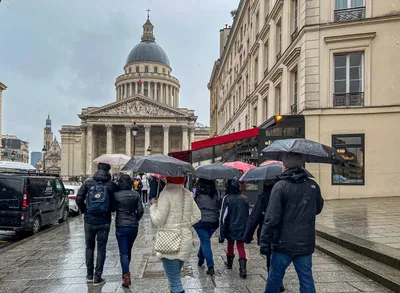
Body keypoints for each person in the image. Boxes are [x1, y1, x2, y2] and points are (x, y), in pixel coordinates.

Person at [260, 153, 324, 293]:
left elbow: (271, 218)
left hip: (283, 243)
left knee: (275, 277)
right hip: (305, 242)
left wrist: (265, 242)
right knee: (306, 279)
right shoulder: (312, 185)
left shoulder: (280, 186)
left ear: (285, 166)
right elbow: (318, 208)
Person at [150, 176, 201, 293]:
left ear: (168, 178)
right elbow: (197, 215)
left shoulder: (165, 194)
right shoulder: (187, 194)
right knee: (174, 281)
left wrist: (153, 206)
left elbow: (158, 220)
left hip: (170, 244)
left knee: (176, 284)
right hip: (185, 242)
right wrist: (184, 224)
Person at [76, 163, 118, 286]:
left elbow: (79, 198)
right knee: (101, 248)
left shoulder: (88, 182)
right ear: (108, 171)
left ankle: (89, 275)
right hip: (104, 220)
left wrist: (85, 210)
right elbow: (116, 201)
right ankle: (97, 277)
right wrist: (110, 210)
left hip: (89, 220)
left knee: (89, 247)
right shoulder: (111, 185)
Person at [244, 181, 285, 292]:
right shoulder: (284, 190)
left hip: (268, 231)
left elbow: (255, 216)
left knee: (270, 258)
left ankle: (276, 282)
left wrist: (248, 236)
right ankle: (279, 281)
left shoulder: (264, 195)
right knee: (280, 258)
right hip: (283, 232)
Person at [114, 174, 144, 288]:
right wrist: (135, 219)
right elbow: (140, 210)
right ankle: (125, 272)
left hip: (121, 226)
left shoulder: (115, 195)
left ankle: (126, 274)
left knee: (123, 252)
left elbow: (112, 208)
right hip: (133, 227)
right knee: (129, 250)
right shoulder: (135, 194)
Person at [219, 178, 249, 279]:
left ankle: (230, 263)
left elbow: (223, 216)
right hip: (241, 226)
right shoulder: (244, 199)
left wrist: (222, 233)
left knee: (230, 243)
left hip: (230, 226)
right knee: (240, 246)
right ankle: (243, 269)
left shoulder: (227, 199)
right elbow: (246, 215)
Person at [193, 178, 221, 275]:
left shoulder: (196, 192)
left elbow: (193, 205)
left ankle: (210, 266)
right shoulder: (216, 193)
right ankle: (201, 258)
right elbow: (219, 205)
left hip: (200, 222)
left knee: (205, 242)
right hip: (213, 222)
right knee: (205, 241)